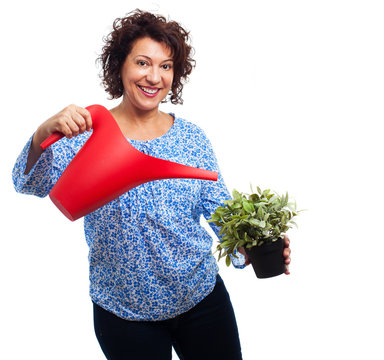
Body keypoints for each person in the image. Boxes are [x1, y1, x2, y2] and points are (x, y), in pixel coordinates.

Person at [12, 9, 291, 360]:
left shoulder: (191, 138)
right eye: (143, 63)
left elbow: (219, 210)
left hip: (200, 299)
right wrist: (42, 134)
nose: (154, 77)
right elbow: (28, 184)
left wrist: (253, 246)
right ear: (120, 67)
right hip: (124, 311)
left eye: (166, 66)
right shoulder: (85, 133)